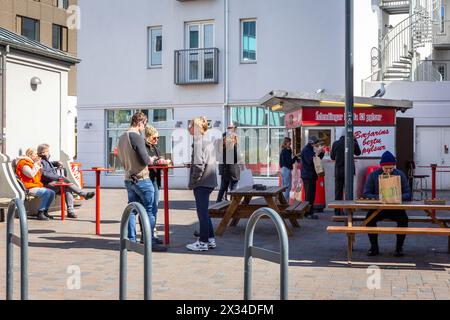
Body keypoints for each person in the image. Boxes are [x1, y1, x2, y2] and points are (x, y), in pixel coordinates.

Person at [117, 112, 167, 252]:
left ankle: (131, 241)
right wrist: (154, 160)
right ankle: (148, 241)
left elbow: (120, 158)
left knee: (132, 210)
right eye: (144, 125)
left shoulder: (121, 137)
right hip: (142, 178)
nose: (143, 128)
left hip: (128, 178)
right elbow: (145, 160)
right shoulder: (136, 137)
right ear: (140, 123)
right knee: (150, 210)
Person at [363, 151, 411, 257]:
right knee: (369, 220)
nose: (389, 170)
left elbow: (408, 193)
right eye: (386, 168)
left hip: (395, 208)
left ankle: (399, 248)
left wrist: (397, 197)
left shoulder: (400, 174)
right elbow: (366, 193)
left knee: (404, 220)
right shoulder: (373, 175)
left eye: (391, 168)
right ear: (381, 166)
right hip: (378, 207)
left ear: (394, 166)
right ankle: (374, 247)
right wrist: (380, 197)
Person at [37, 144, 95, 219]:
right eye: (47, 151)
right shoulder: (41, 161)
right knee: (66, 182)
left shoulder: (45, 160)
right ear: (43, 152)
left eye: (48, 151)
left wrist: (56, 163)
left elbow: (49, 165)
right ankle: (83, 194)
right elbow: (44, 174)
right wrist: (58, 177)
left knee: (67, 188)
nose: (48, 152)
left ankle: (70, 211)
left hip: (53, 183)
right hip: (48, 184)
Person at [186, 117, 218, 252]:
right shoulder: (207, 141)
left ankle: (203, 242)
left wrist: (194, 181)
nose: (188, 128)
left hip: (202, 182)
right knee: (205, 212)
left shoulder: (199, 142)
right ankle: (210, 239)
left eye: (191, 125)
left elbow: (199, 165)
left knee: (202, 213)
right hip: (209, 181)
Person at [144, 125, 171, 245]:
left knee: (154, 208)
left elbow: (160, 159)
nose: (157, 140)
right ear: (148, 137)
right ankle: (147, 235)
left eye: (158, 138)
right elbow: (145, 162)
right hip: (148, 180)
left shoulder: (155, 148)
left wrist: (164, 162)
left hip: (156, 180)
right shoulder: (144, 147)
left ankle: (151, 233)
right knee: (149, 208)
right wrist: (157, 161)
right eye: (155, 138)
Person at [15, 148, 56, 221]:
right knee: (47, 193)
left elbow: (37, 175)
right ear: (30, 155)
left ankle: (45, 211)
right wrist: (36, 165)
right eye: (35, 154)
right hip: (28, 187)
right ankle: (40, 213)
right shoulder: (23, 163)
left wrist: (39, 167)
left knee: (52, 193)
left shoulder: (31, 163)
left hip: (35, 185)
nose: (37, 156)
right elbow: (30, 175)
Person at [330, 129, 362, 215]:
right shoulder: (352, 143)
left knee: (338, 192)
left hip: (338, 172)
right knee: (348, 192)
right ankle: (348, 211)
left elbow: (332, 157)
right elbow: (358, 153)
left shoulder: (335, 144)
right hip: (349, 172)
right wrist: (355, 140)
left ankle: (337, 212)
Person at [215, 125, 244, 203]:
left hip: (225, 169)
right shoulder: (234, 146)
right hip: (233, 169)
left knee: (223, 187)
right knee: (234, 188)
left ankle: (218, 201)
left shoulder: (223, 146)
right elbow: (238, 157)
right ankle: (233, 204)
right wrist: (241, 157)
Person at [300, 136, 324, 219]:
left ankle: (310, 211)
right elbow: (310, 161)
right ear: (312, 143)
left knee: (311, 195)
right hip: (308, 176)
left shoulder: (310, 150)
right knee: (309, 195)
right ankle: (307, 213)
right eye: (316, 143)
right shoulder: (306, 150)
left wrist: (321, 152)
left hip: (311, 175)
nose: (317, 144)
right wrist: (317, 153)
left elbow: (317, 159)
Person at [279, 137, 300, 202]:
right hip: (286, 169)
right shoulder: (286, 150)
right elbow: (290, 161)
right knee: (287, 187)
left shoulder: (283, 150)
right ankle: (285, 203)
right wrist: (296, 156)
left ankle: (283, 202)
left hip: (283, 169)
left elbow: (281, 162)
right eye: (289, 142)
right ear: (286, 143)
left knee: (283, 187)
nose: (290, 143)